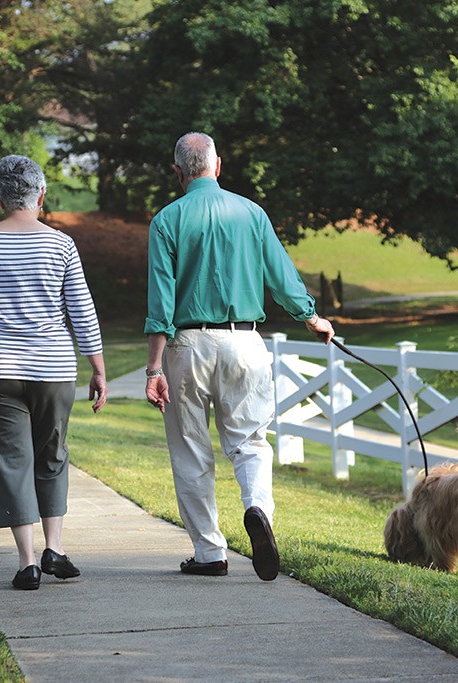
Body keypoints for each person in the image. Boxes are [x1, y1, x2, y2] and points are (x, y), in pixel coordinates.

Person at [145, 132, 334, 581]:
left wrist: (154, 368)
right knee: (250, 442)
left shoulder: (166, 220)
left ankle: (210, 554)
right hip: (245, 341)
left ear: (178, 173)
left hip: (187, 345)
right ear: (218, 165)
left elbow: (161, 302)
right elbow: (283, 277)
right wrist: (311, 318)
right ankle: (256, 508)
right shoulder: (252, 213)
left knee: (191, 451)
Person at [0, 154, 108, 591]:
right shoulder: (61, 245)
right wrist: (98, 368)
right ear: (42, 195)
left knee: (9, 460)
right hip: (52, 366)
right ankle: (55, 549)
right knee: (52, 454)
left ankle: (28, 561)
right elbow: (82, 310)